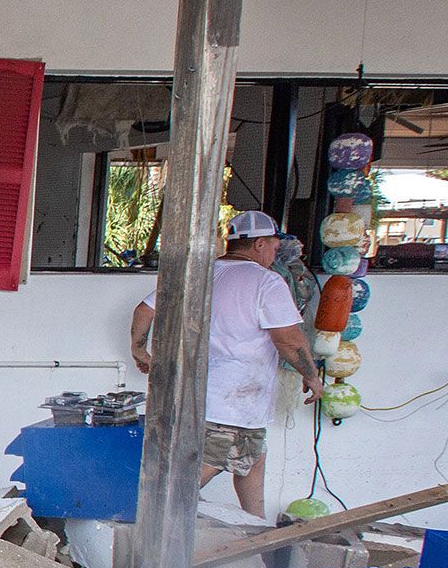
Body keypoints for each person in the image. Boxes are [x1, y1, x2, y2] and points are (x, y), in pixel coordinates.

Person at [129, 208, 324, 517]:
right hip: (231, 401)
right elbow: (288, 339)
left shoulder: (196, 275)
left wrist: (139, 349)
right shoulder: (267, 282)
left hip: (190, 395)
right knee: (202, 470)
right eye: (274, 244)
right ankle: (148, 524)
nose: (276, 251)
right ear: (259, 244)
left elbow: (143, 310)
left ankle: (256, 530)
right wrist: (311, 375)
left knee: (251, 459)